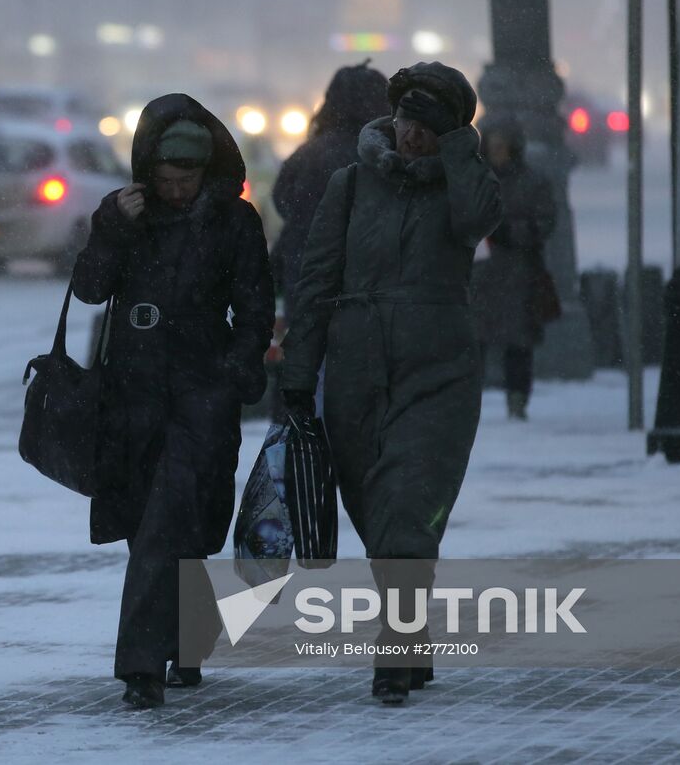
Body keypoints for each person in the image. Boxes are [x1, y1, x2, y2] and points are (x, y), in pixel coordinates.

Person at [278, 62, 502, 705]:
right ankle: (411, 630)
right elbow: (316, 283)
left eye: (428, 127)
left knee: (408, 506)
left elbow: (478, 220)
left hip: (439, 372)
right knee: (377, 514)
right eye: (406, 121)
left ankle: (394, 651)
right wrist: (298, 378)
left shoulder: (464, 184)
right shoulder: (351, 185)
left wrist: (459, 148)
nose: (412, 136)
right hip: (356, 373)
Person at [70, 93, 274, 709]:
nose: (178, 193)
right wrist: (111, 228)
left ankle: (141, 669)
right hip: (130, 396)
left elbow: (255, 308)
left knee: (178, 521)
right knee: (151, 527)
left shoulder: (234, 222)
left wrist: (234, 370)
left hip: (201, 395)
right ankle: (184, 644)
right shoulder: (127, 215)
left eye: (188, 181)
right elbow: (89, 289)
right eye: (166, 181)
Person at [272, 61, 391, 318]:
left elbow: (284, 204)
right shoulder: (382, 155)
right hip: (370, 299)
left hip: (306, 291)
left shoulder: (306, 155)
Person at [471, 116, 557, 420]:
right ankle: (469, 402)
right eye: (493, 146)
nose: (498, 152)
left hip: (519, 273)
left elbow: (544, 221)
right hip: (480, 273)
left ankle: (517, 400)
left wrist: (510, 232)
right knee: (474, 344)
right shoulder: (475, 180)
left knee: (519, 343)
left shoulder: (532, 181)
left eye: (503, 146)